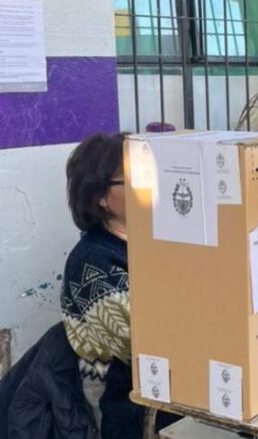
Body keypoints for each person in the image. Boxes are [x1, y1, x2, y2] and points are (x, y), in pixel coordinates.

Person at [62, 132, 178, 438]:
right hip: (130, 406)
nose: (149, 184)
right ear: (99, 196)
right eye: (132, 178)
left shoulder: (160, 240)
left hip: (175, 392)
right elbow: (141, 342)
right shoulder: (92, 261)